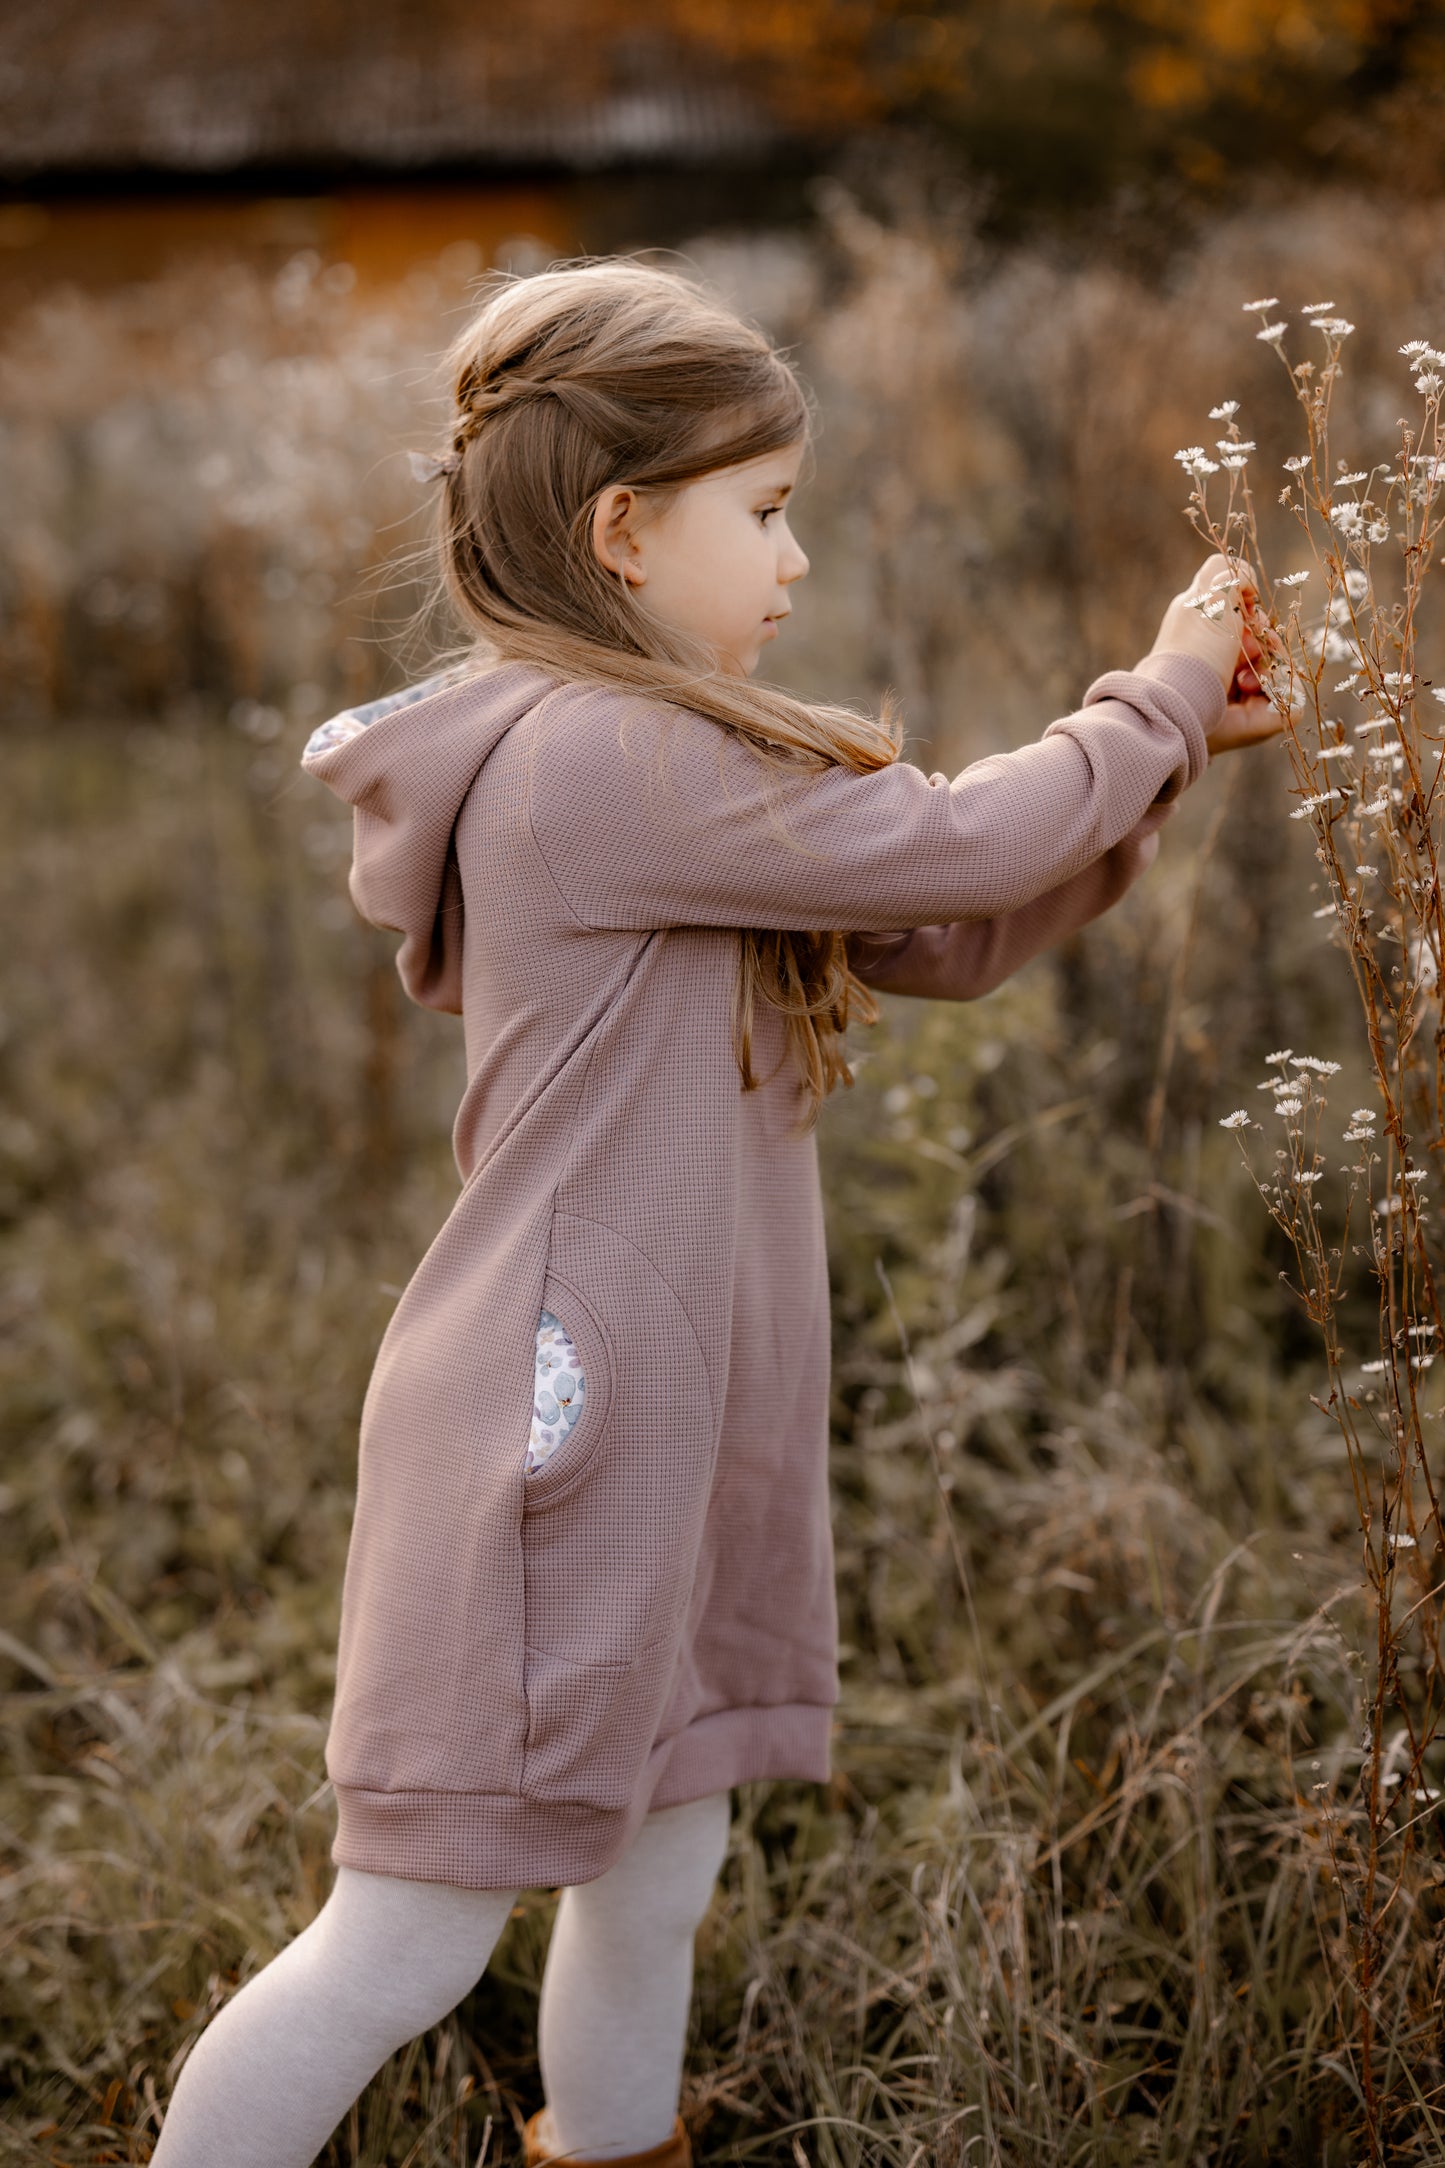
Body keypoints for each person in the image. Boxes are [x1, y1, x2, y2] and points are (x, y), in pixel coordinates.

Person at [149, 257, 1281, 2168]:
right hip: (556, 1431)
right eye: (760, 514)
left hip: (668, 1420)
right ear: (617, 532)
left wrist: (1162, 765)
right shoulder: (599, 755)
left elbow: (933, 925)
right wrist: (1154, 688)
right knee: (404, 1937)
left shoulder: (651, 763)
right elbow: (963, 834)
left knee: (662, 1862)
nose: (794, 563)